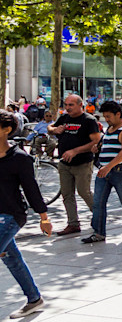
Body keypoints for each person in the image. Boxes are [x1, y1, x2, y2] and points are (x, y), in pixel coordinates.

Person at [0, 110, 53, 319]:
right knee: (12, 259)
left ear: (7, 130)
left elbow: (31, 190)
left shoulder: (20, 158)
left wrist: (44, 218)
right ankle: (34, 299)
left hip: (10, 215)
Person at [82, 101, 122, 243]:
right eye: (105, 117)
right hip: (104, 171)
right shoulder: (109, 129)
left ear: (118, 114)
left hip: (120, 171)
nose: (106, 119)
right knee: (98, 203)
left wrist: (108, 166)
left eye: (109, 116)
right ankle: (98, 232)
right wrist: (97, 149)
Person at [48, 94, 101, 236]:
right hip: (64, 163)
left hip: (82, 163)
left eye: (71, 105)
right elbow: (50, 127)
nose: (67, 108)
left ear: (80, 105)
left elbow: (96, 141)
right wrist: (54, 130)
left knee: (84, 192)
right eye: (66, 104)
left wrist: (75, 151)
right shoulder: (64, 118)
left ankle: (100, 217)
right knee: (67, 194)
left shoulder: (89, 120)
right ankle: (73, 223)